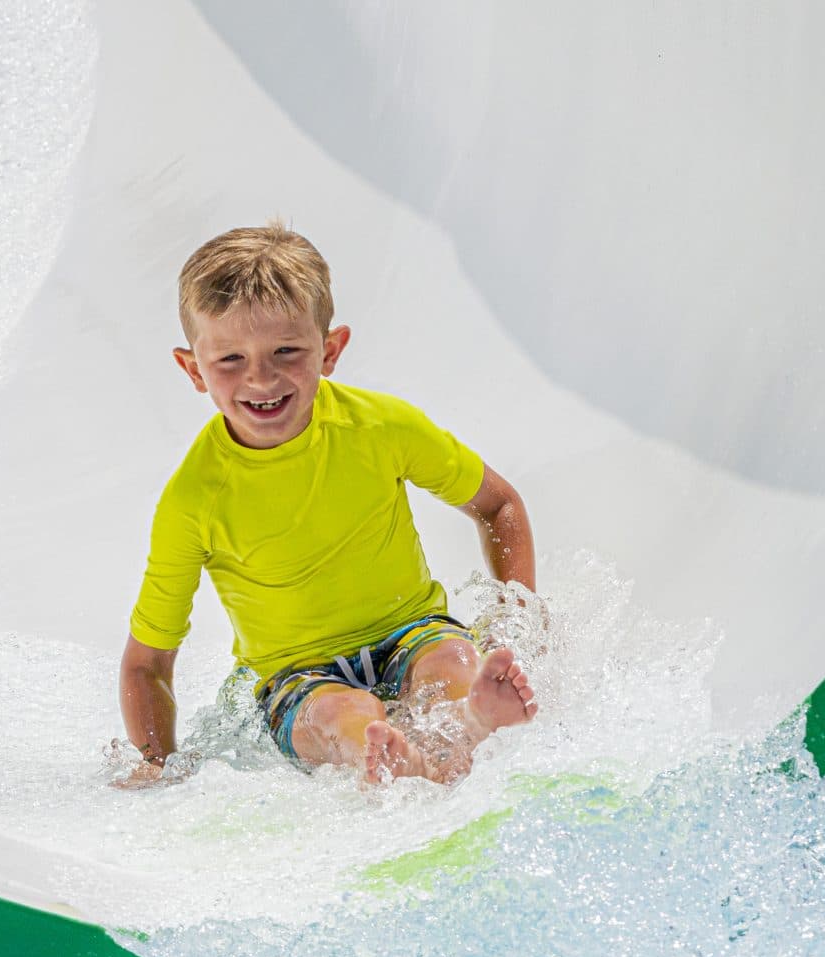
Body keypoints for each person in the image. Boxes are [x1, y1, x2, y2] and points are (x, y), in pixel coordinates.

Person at [118, 222, 539, 787]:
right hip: (297, 673)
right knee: (343, 719)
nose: (261, 378)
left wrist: (520, 618)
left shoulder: (381, 427)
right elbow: (148, 664)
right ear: (194, 369)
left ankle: (466, 724)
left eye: (286, 350)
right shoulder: (194, 498)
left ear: (331, 350)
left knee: (453, 665)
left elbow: (499, 504)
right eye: (230, 360)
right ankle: (397, 756)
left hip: (410, 629)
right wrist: (155, 764)